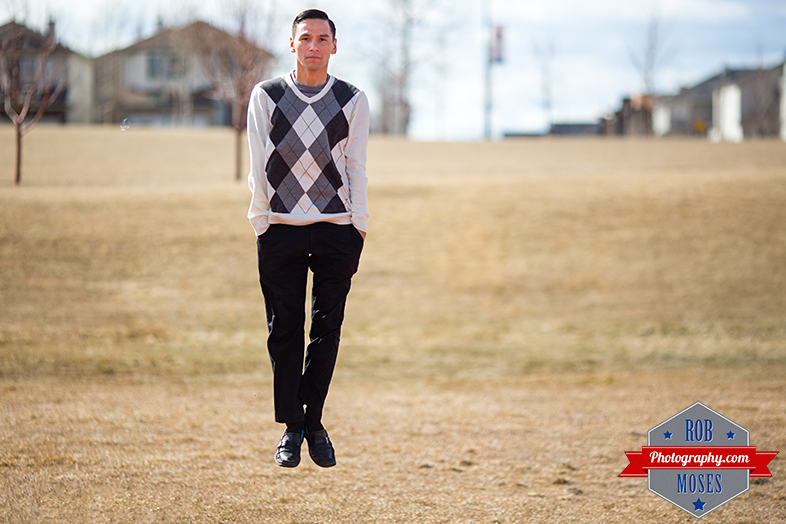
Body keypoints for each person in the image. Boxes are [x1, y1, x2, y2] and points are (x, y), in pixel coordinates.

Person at [246, 9, 370, 468]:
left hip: (337, 228)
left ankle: (313, 421)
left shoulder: (352, 99)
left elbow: (356, 164)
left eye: (323, 38)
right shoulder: (267, 95)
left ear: (334, 46)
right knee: (284, 331)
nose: (314, 46)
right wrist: (261, 221)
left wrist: (359, 223)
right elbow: (257, 161)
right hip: (279, 228)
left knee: (327, 330)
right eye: (306, 38)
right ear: (292, 44)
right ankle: (291, 427)